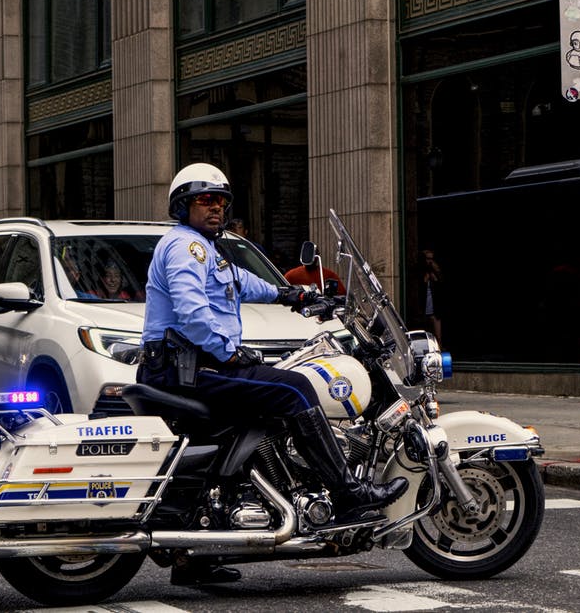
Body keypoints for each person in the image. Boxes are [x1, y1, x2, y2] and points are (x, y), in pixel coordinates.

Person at [138, 162, 408, 586]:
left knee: (266, 407)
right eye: (204, 200)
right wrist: (230, 355)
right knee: (297, 389)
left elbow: (244, 284)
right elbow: (192, 314)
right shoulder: (184, 248)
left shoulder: (211, 250)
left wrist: (293, 294)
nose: (215, 208)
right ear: (183, 205)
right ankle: (348, 494)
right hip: (186, 369)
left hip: (188, 366)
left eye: (221, 201)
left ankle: (199, 553)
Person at [414, 249, 444, 343]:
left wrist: (435, 275)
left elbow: (441, 282)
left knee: (435, 321)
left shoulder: (435, 269)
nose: (430, 261)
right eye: (427, 259)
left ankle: (439, 343)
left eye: (431, 259)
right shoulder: (420, 270)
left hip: (435, 302)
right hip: (424, 302)